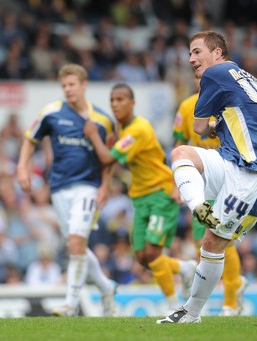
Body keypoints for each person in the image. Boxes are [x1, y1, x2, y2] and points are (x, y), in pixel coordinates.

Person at [157, 31, 257, 323]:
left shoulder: (216, 74)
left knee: (212, 244)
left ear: (217, 52)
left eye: (197, 52)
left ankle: (191, 313)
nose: (191, 59)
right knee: (182, 154)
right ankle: (199, 207)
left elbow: (197, 127)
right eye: (190, 53)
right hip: (232, 161)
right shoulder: (250, 79)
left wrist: (217, 123)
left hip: (256, 175)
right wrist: (251, 116)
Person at [83, 83, 197, 309]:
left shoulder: (138, 129)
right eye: (112, 100)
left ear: (132, 103)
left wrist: (93, 135)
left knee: (153, 254)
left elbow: (107, 159)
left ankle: (175, 307)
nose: (115, 104)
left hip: (160, 195)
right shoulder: (123, 129)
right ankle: (185, 268)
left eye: (121, 99)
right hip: (140, 198)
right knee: (142, 257)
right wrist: (105, 186)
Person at [17, 63, 117, 317]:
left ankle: (70, 303)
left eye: (72, 84)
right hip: (59, 187)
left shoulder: (102, 119)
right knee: (76, 246)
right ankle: (106, 287)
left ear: (83, 85)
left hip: (88, 186)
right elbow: (31, 139)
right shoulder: (51, 113)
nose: (68, 90)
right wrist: (22, 168)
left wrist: (105, 186)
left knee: (75, 241)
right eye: (64, 86)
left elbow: (109, 158)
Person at [172, 72, 248, 316]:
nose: (201, 81)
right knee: (201, 242)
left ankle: (231, 300)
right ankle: (235, 283)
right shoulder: (185, 107)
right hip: (199, 180)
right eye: (198, 77)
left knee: (222, 235)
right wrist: (176, 182)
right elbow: (178, 143)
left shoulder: (228, 103)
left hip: (226, 176)